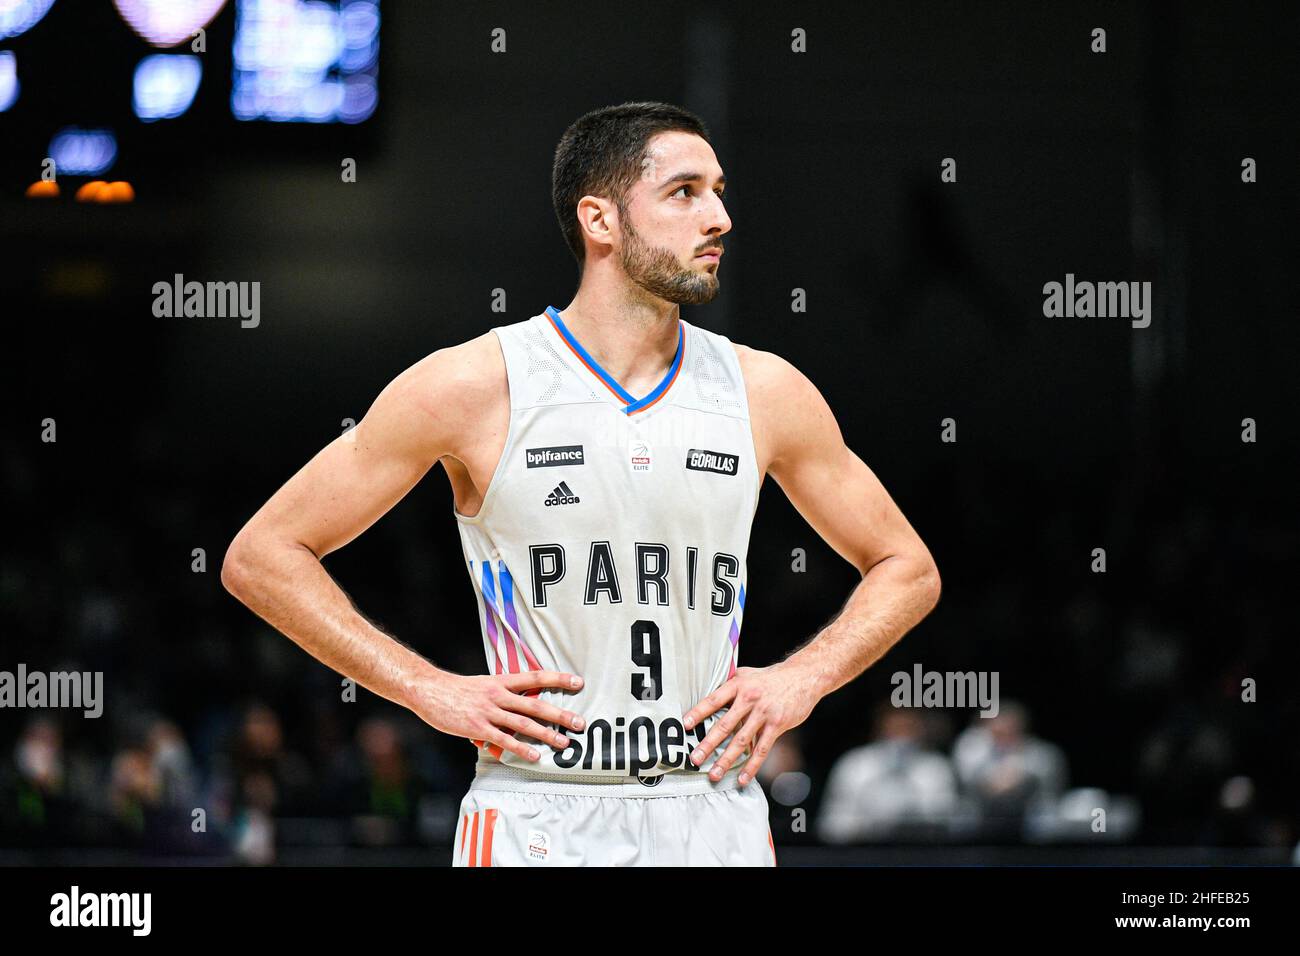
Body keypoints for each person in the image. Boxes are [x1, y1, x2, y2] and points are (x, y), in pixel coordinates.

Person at [221, 101, 941, 866]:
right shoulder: (475, 384)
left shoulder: (764, 391)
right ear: (600, 220)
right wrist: (426, 689)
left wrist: (803, 679)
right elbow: (262, 555)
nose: (720, 217)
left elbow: (909, 569)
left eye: (719, 190)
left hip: (711, 808)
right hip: (539, 811)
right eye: (685, 191)